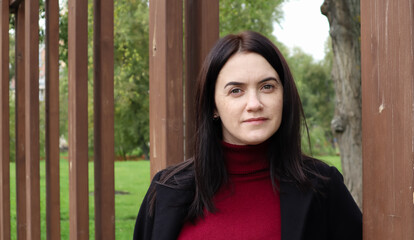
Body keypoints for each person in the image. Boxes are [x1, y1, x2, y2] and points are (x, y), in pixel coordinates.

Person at [134, 31, 362, 240]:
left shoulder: (323, 187)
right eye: (236, 91)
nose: (254, 104)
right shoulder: (166, 189)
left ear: (284, 95)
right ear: (213, 106)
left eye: (267, 87)